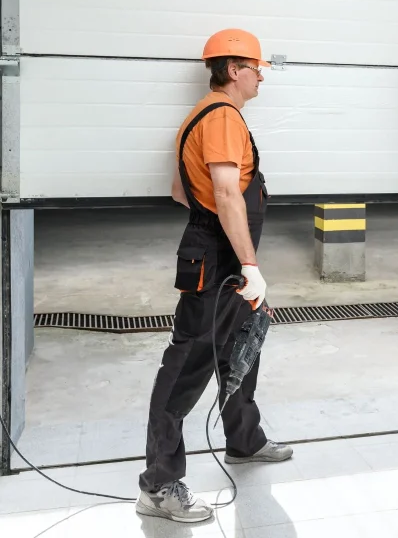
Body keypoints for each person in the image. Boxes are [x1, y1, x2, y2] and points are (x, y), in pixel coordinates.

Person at [137, 28, 292, 523]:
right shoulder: (223, 116)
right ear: (233, 70)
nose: (261, 76)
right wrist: (248, 264)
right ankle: (159, 486)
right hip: (217, 261)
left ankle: (244, 441)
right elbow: (225, 194)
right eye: (256, 68)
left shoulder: (205, 115)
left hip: (219, 253)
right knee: (187, 366)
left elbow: (179, 191)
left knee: (240, 349)